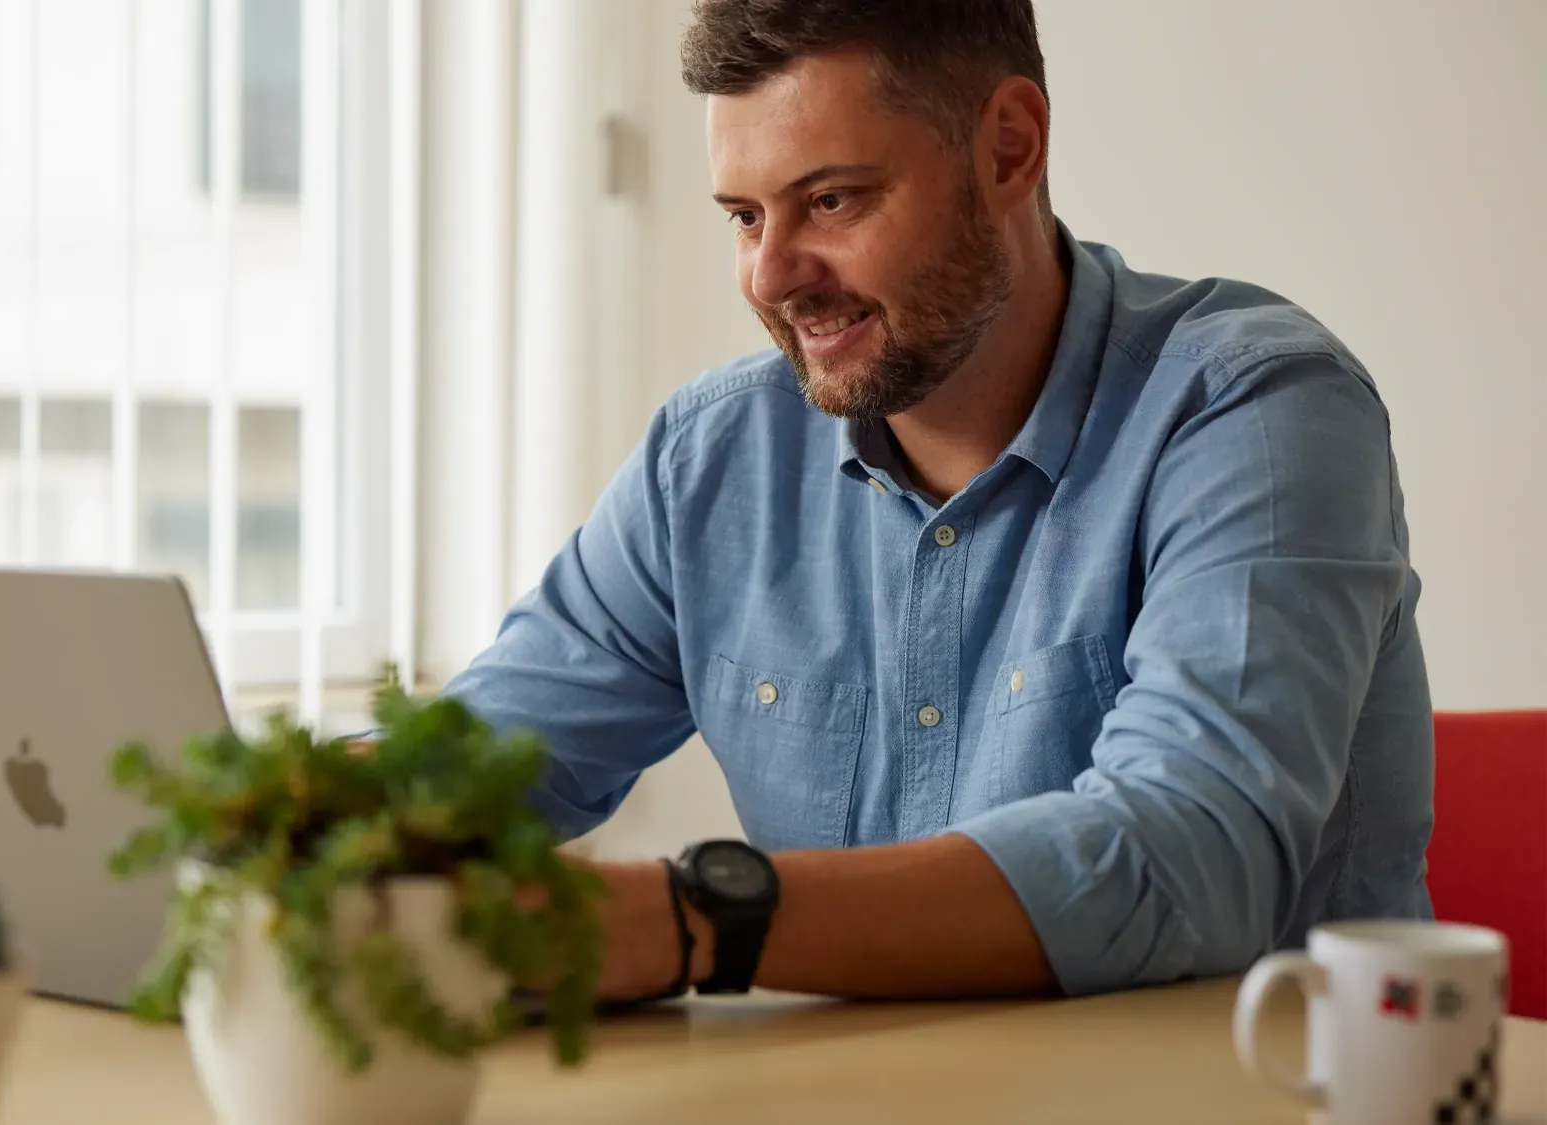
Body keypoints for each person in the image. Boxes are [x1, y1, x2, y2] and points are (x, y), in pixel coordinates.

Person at [441, 0, 1434, 1005]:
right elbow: (463, 768)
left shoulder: (1250, 410)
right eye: (743, 215)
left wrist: (693, 920)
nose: (771, 275)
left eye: (829, 201)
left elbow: (1188, 859)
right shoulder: (709, 464)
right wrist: (302, 811)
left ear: (1006, 147)